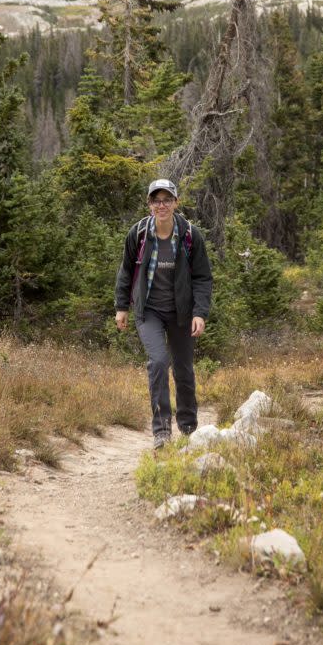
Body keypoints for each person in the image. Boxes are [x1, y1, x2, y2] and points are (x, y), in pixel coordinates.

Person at [114, 178, 213, 449]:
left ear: (175, 203)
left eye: (167, 200)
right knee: (158, 362)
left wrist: (199, 313)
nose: (162, 205)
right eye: (156, 200)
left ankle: (189, 427)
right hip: (149, 311)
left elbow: (203, 278)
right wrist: (121, 307)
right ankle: (161, 431)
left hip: (182, 313)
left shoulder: (190, 235)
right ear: (149, 205)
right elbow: (125, 271)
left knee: (183, 369)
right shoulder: (139, 234)